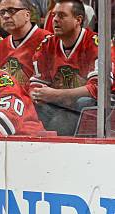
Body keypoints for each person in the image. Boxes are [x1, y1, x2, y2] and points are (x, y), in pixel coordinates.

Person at [28, 0, 98, 136]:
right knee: (32, 105)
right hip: (56, 107)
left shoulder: (96, 44)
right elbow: (35, 86)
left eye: (61, 15)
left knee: (83, 102)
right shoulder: (46, 44)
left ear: (78, 20)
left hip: (83, 110)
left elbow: (97, 89)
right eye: (54, 15)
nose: (55, 20)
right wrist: (37, 95)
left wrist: (56, 94)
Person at [0, 0, 50, 88]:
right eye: (2, 12)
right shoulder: (1, 45)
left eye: (11, 11)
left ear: (27, 15)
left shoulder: (47, 40)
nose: (5, 16)